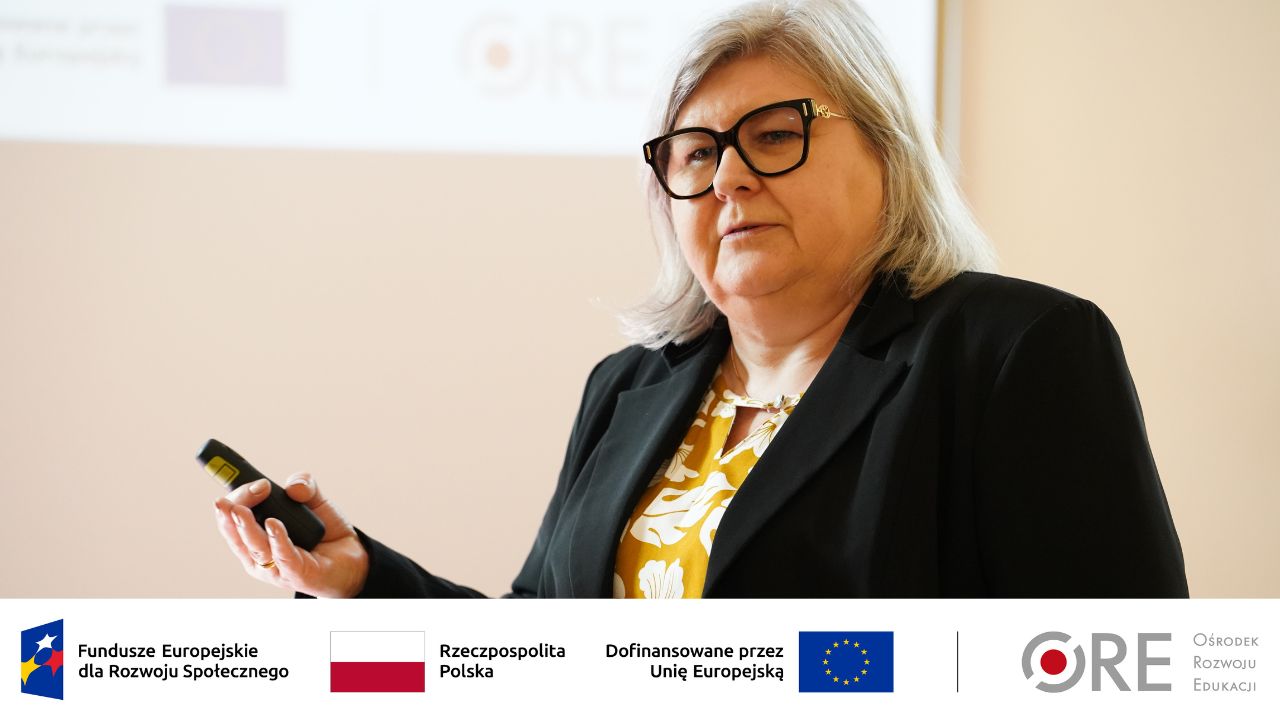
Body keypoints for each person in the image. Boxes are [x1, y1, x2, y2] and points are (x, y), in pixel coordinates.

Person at [212, 0, 1187, 598]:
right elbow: (539, 654)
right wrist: (361, 578)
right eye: (694, 154)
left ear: (888, 155)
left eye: (774, 136)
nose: (727, 179)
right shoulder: (627, 388)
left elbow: (1114, 669)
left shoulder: (1015, 353)